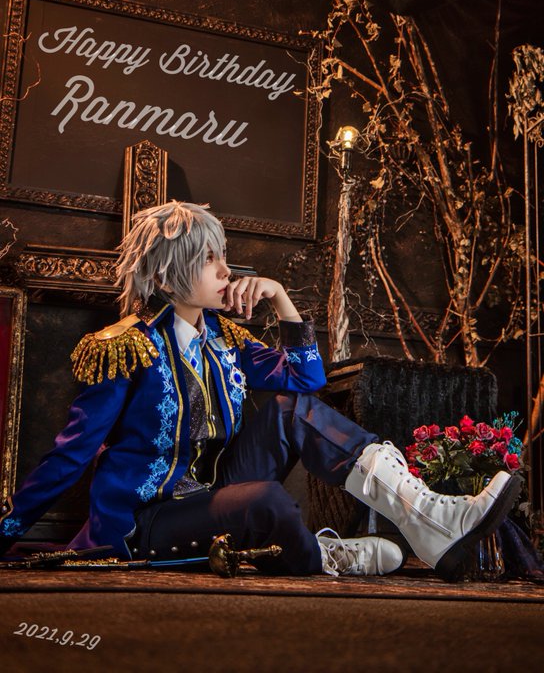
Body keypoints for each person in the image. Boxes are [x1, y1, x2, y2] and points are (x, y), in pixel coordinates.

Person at [0, 201, 521, 581]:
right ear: (166, 277)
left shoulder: (223, 338)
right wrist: (7, 530)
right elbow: (70, 455)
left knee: (292, 410)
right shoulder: (124, 348)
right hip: (149, 519)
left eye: (222, 255)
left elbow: (307, 381)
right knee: (268, 501)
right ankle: (324, 556)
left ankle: (429, 518)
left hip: (217, 491)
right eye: (209, 259)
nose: (226, 270)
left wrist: (280, 297)